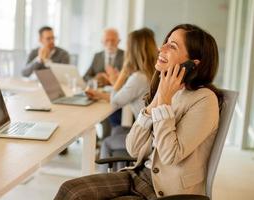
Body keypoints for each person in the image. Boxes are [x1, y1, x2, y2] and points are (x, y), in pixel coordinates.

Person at [54, 24, 223, 200]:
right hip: (138, 175)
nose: (161, 48)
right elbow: (133, 148)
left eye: (172, 46)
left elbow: (170, 155)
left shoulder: (204, 100)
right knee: (70, 190)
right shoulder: (168, 91)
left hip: (164, 190)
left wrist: (163, 102)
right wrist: (155, 103)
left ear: (193, 64)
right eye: (166, 42)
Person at [86, 28, 158, 172]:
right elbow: (121, 97)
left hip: (148, 138)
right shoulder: (152, 73)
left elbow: (115, 101)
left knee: (106, 143)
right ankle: (119, 172)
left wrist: (120, 75)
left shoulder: (138, 78)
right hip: (152, 131)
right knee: (118, 129)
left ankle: (104, 184)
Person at [84, 28, 125, 140]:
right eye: (107, 40)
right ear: (102, 42)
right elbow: (86, 77)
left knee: (108, 115)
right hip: (98, 95)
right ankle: (94, 140)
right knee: (86, 111)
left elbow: (128, 80)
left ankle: (105, 141)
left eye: (113, 40)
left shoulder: (126, 56)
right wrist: (95, 80)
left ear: (119, 41)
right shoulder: (97, 56)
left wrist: (113, 79)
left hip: (115, 96)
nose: (110, 43)